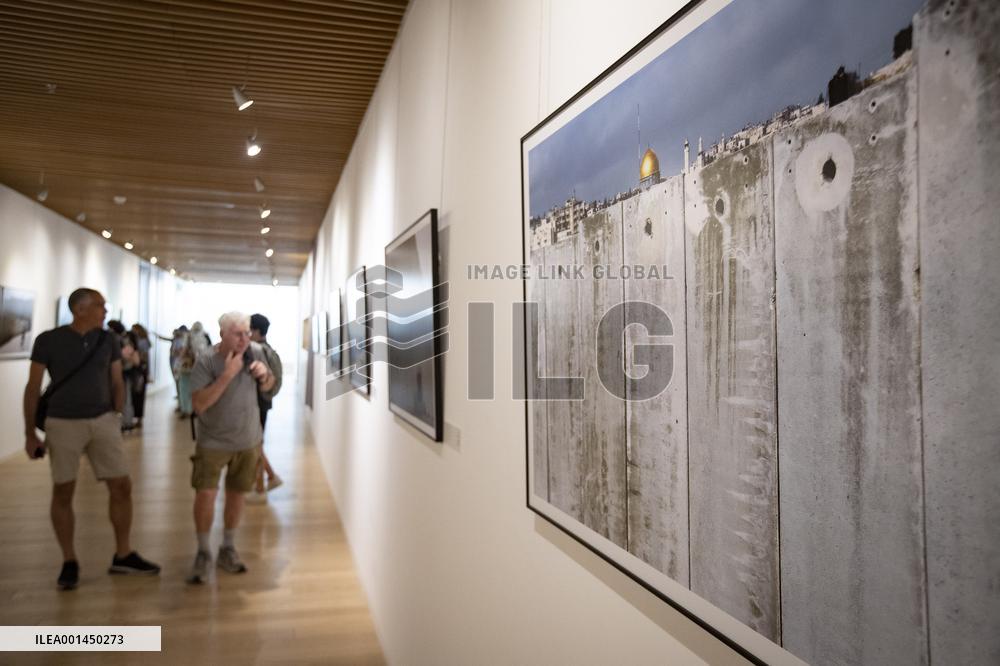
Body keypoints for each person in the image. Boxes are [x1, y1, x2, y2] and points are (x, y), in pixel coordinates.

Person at [22, 288, 160, 590]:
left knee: (122, 485)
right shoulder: (48, 340)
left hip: (102, 422)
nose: (105, 311)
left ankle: (123, 554)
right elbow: (33, 388)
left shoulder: (107, 339)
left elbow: (115, 381)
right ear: (80, 309)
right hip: (61, 423)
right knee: (63, 490)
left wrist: (115, 415)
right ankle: (69, 560)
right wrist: (29, 433)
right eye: (100, 306)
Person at [187, 311, 278, 584]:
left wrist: (265, 378)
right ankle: (203, 551)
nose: (244, 339)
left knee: (237, 494)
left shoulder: (258, 353)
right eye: (237, 333)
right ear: (222, 334)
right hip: (213, 442)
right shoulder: (205, 361)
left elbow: (271, 387)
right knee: (206, 495)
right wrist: (227, 375)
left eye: (247, 333)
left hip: (248, 440)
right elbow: (200, 404)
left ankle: (228, 546)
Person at [247, 313, 283, 503]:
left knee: (255, 444)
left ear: (256, 331)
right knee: (256, 443)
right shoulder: (267, 349)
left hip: (256, 403)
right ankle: (270, 477)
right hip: (263, 402)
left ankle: (261, 486)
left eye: (249, 329)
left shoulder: (257, 351)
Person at [129, 324, 151, 428]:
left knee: (139, 395)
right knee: (136, 395)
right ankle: (137, 417)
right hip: (139, 370)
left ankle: (139, 418)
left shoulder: (143, 342)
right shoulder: (141, 341)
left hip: (141, 371)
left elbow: (143, 357)